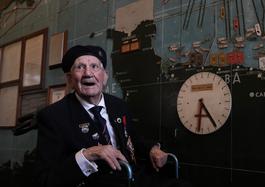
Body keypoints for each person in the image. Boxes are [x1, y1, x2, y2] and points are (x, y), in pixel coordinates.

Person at [35, 45, 189, 187]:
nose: (88, 73)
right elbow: (45, 180)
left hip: (133, 178)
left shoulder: (118, 105)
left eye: (94, 66)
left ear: (105, 77)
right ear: (69, 80)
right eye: (80, 67)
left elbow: (132, 139)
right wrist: (88, 155)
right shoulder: (53, 116)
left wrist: (152, 149)